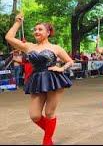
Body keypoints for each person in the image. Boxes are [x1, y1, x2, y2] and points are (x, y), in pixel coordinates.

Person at [5, 13, 73, 145]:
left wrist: (61, 69)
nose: (36, 31)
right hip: (36, 80)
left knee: (49, 112)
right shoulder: (28, 46)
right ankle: (49, 133)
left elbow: (70, 61)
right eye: (35, 29)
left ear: (48, 32)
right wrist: (17, 23)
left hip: (54, 79)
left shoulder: (55, 48)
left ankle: (47, 141)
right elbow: (9, 37)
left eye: (40, 29)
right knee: (35, 115)